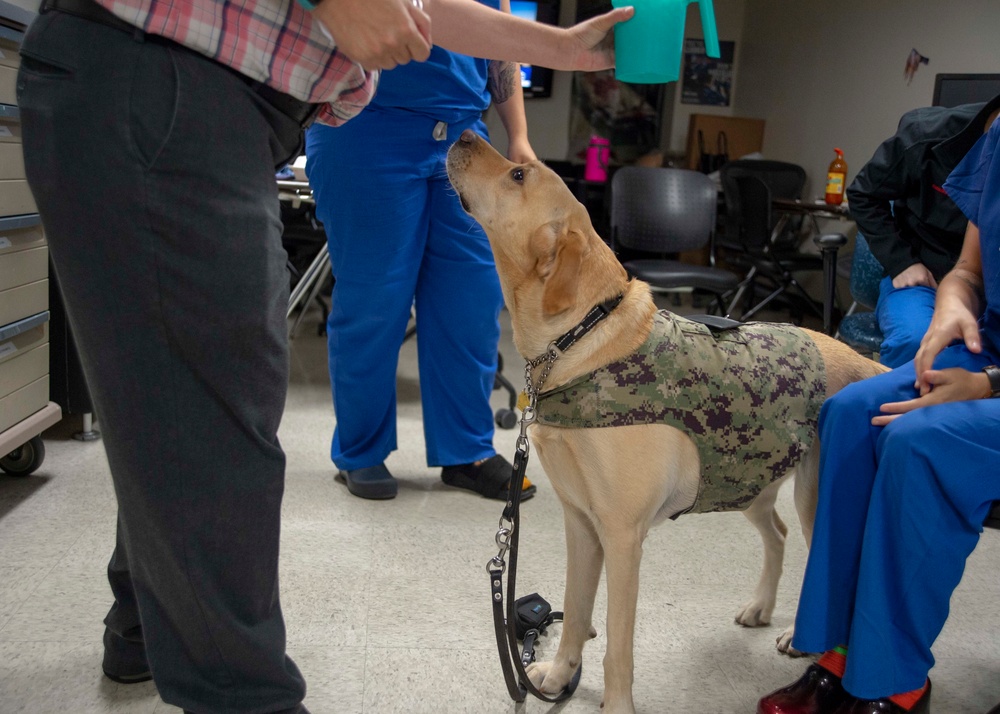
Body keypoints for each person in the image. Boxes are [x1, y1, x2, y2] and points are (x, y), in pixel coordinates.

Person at [14, 0, 633, 711]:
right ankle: (245, 692)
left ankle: (143, 625)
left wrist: (560, 45)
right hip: (166, 74)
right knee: (229, 401)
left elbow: (425, 9)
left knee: (182, 391)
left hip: (219, 99)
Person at [758, 115, 1000, 714]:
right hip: (987, 354)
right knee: (848, 413)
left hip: (992, 378)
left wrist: (985, 383)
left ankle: (896, 680)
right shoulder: (998, 138)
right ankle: (839, 655)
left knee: (918, 439)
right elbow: (968, 271)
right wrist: (950, 304)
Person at [305, 0, 537, 501]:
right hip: (366, 128)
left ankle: (467, 453)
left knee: (471, 303)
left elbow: (499, 46)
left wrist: (517, 134)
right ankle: (360, 452)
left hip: (465, 136)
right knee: (374, 301)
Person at [846, 94, 1000, 367]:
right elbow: (863, 194)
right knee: (916, 340)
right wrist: (902, 261)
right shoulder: (926, 135)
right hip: (926, 278)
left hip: (990, 293)